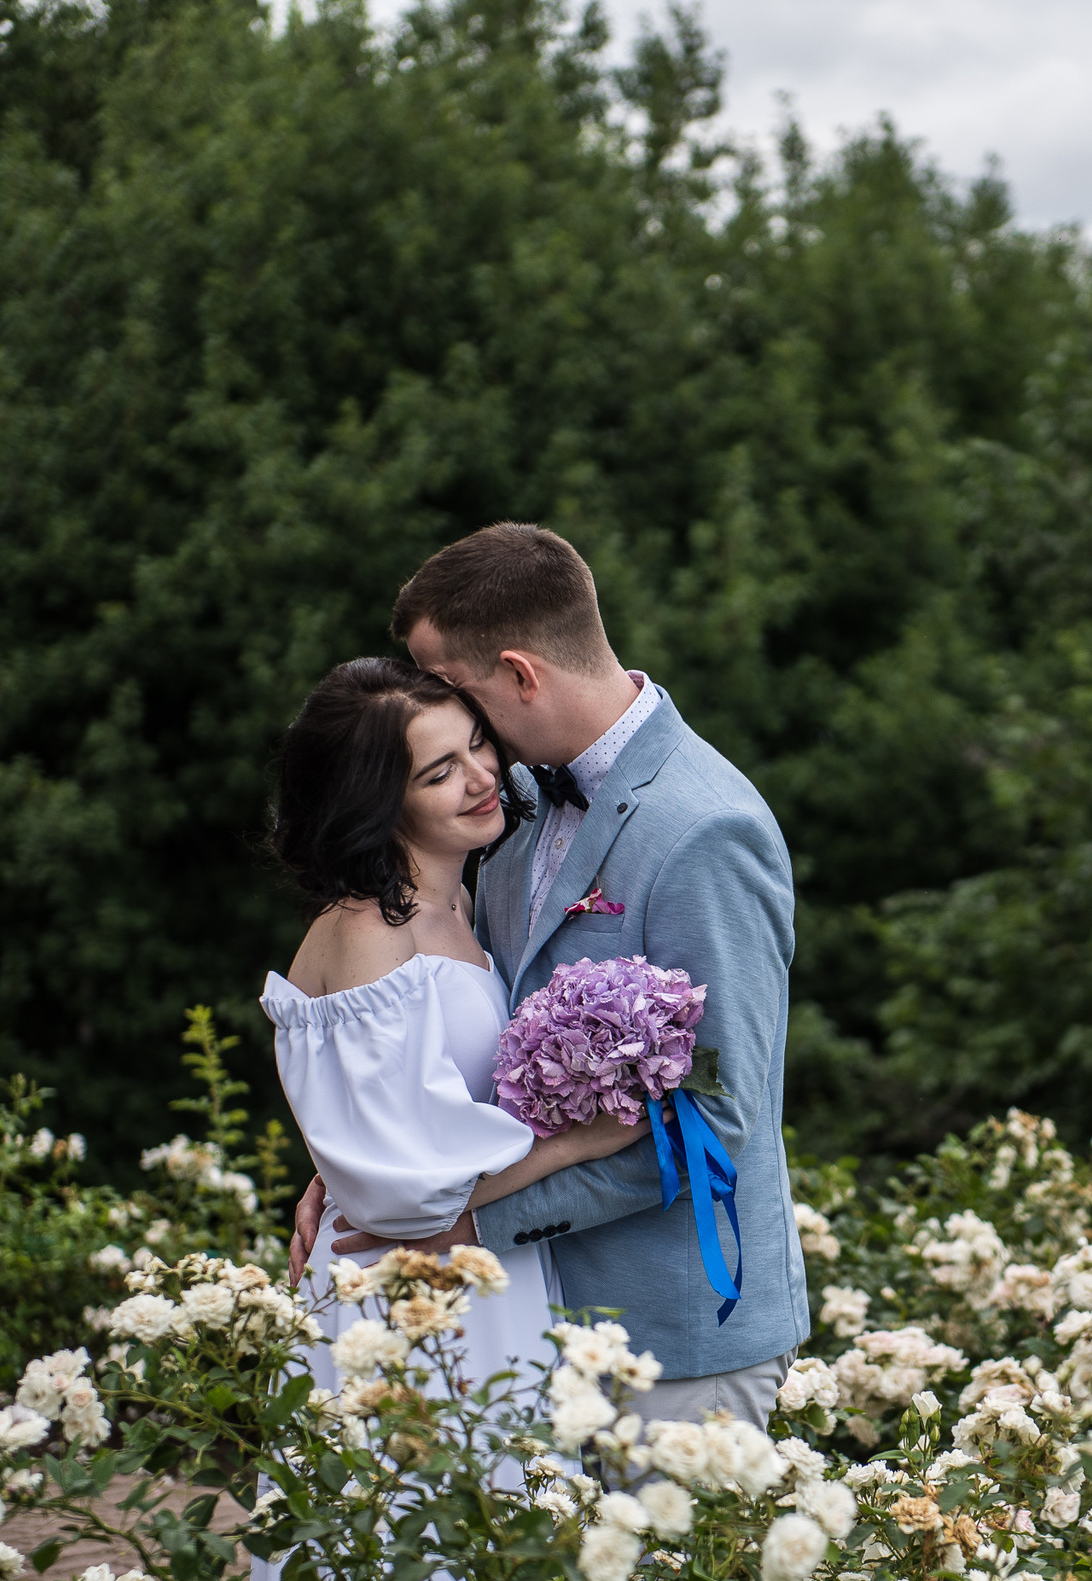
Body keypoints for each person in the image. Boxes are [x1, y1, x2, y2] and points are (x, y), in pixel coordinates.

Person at [290, 522, 806, 1428]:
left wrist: (467, 1225)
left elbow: (715, 1108)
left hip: (671, 1340)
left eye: (450, 687)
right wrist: (366, 1165)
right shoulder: (514, 807)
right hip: (528, 1334)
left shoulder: (704, 831)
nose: (437, 713)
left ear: (520, 675)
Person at [250, 656, 646, 1581]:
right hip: (403, 1293)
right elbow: (401, 1186)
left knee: (501, 1560)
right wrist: (582, 1138)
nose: (479, 777)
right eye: (438, 771)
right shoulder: (367, 930)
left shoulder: (457, 902)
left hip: (474, 1275)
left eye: (477, 745)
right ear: (378, 801)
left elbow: (401, 1119)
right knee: (416, 1563)